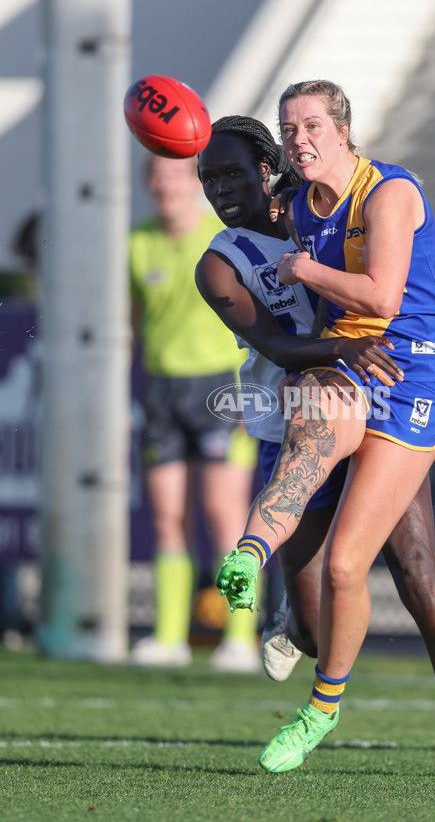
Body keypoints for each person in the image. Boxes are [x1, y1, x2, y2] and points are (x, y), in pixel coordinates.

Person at [197, 111, 435, 781]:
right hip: (309, 401)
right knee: (313, 621)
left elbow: (392, 282)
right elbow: (279, 346)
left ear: (266, 165)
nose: (218, 188)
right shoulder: (220, 262)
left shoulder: (324, 202)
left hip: (385, 389)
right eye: (206, 178)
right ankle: (283, 609)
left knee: (415, 569)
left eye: (229, 172)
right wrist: (343, 344)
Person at [129, 154, 259, 671]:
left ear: (195, 182)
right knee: (166, 517)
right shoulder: (135, 243)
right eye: (157, 174)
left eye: (176, 174)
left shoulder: (223, 237)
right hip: (161, 391)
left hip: (221, 389)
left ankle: (241, 636)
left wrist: (257, 392)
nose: (166, 184)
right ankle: (168, 637)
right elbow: (131, 327)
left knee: (224, 514)